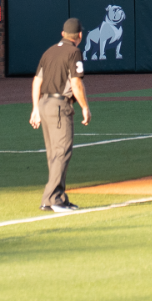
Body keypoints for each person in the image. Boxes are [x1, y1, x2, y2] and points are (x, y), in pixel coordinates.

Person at [31, 16, 90, 213]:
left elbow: (36, 82)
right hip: (59, 106)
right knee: (62, 151)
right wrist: (84, 107)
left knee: (54, 154)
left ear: (63, 34)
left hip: (44, 104)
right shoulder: (74, 52)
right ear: (80, 35)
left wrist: (35, 109)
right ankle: (53, 198)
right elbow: (76, 83)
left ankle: (55, 198)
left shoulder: (49, 52)